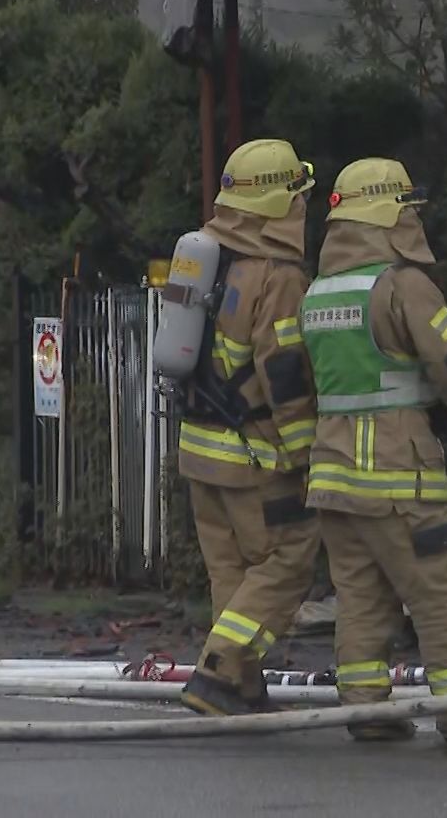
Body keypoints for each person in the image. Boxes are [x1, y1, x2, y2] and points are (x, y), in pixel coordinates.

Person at [299, 158, 447, 745]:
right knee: (446, 594)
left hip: (333, 481)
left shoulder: (318, 293)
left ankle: (367, 713)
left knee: (362, 602)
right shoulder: (403, 285)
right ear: (390, 213)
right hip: (401, 479)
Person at [172, 140, 322, 717]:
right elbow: (283, 375)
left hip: (200, 451)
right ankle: (220, 671)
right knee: (286, 561)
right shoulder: (276, 275)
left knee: (231, 575)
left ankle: (243, 688)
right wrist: (306, 457)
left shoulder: (208, 257)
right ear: (280, 202)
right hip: (254, 456)